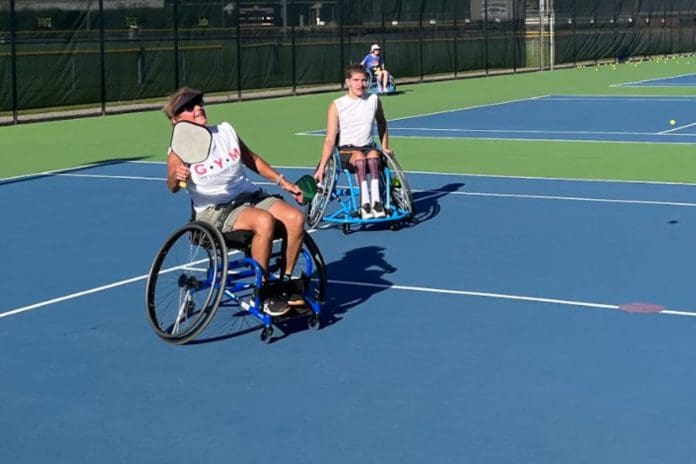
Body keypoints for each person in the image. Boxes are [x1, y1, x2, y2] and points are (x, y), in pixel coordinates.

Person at [164, 87, 305, 316]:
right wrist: (176, 177)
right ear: (176, 120)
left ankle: (285, 283)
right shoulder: (179, 150)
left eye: (199, 103)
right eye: (189, 107)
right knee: (264, 221)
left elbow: (253, 160)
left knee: (296, 218)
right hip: (214, 210)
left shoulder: (225, 131)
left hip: (249, 197)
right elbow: (172, 185)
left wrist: (283, 181)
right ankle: (263, 293)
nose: (198, 107)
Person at [314, 64, 391, 220]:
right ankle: (365, 204)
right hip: (345, 151)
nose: (360, 84)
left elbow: (382, 122)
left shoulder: (374, 99)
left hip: (368, 148)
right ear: (348, 82)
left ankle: (376, 202)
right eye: (356, 80)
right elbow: (330, 139)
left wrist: (385, 147)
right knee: (359, 157)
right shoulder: (337, 105)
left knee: (375, 155)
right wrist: (322, 167)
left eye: (364, 80)